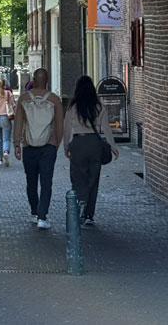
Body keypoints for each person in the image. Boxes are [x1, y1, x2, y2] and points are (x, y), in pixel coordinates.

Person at [64, 75, 119, 226]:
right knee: (93, 179)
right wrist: (113, 146)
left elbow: (66, 128)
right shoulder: (98, 106)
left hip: (78, 143)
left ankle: (80, 201)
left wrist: (66, 146)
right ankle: (89, 214)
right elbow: (106, 128)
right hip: (94, 143)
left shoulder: (72, 107)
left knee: (77, 176)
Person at [13, 67, 63, 230]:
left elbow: (18, 123)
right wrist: (56, 144)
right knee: (46, 182)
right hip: (48, 145)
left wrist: (17, 143)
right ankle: (42, 216)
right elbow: (59, 126)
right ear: (47, 81)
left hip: (29, 146)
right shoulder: (55, 100)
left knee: (31, 181)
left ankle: (34, 212)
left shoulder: (24, 99)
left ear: (34, 80)